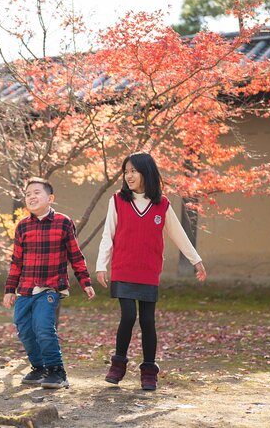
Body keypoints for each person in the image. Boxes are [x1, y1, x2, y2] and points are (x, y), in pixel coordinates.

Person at [96, 152, 206, 391]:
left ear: (147, 173)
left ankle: (148, 370)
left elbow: (178, 234)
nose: (129, 176)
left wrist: (195, 260)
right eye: (126, 172)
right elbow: (109, 233)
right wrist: (100, 265)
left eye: (134, 171)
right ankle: (118, 365)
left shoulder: (162, 204)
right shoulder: (117, 200)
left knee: (147, 321)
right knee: (127, 316)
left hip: (148, 271)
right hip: (123, 269)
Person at [3, 177, 95, 389]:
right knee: (23, 328)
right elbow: (16, 261)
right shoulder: (22, 227)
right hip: (25, 289)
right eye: (28, 194)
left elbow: (75, 255)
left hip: (50, 287)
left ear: (50, 198)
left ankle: (57, 371)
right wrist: (10, 289)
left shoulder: (63, 222)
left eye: (37, 192)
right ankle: (39, 367)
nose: (31, 197)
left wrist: (85, 281)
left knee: (44, 327)